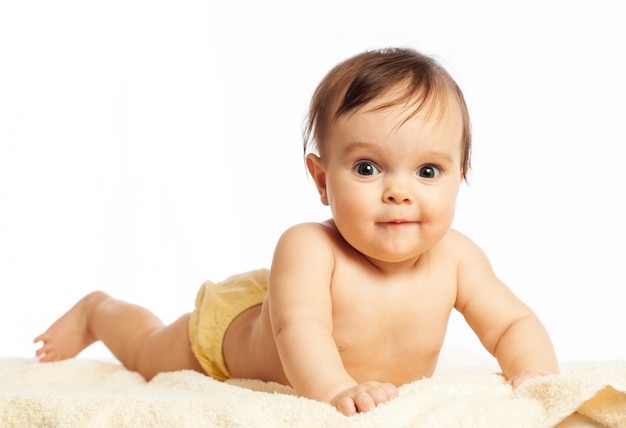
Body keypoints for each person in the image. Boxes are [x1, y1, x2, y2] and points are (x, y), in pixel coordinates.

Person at [34, 47, 559, 416]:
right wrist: (336, 391)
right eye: (368, 168)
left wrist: (534, 373)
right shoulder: (309, 247)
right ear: (322, 180)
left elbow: (511, 323)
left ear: (459, 177)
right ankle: (98, 310)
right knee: (148, 351)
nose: (399, 191)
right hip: (232, 334)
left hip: (289, 312)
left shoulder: (458, 258)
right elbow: (300, 329)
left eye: (427, 171)